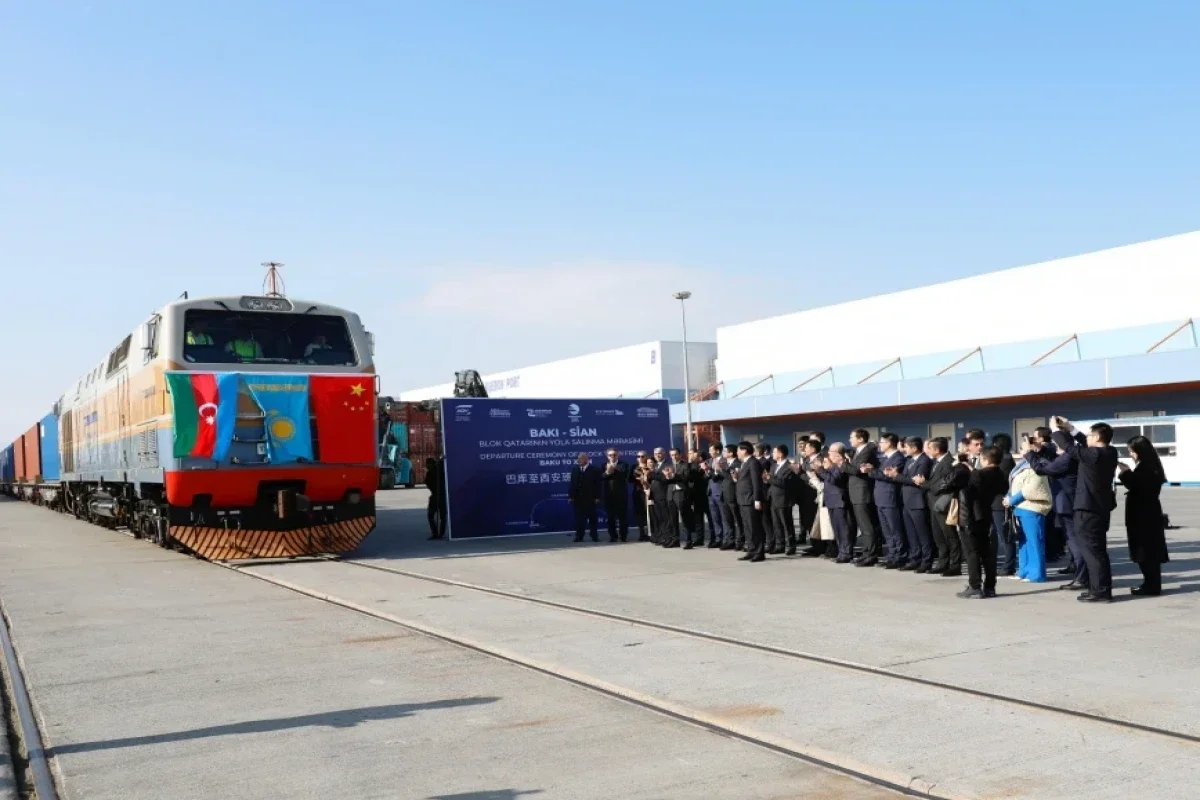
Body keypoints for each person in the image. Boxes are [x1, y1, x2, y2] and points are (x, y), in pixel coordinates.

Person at [1053, 416, 1119, 603]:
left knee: (1092, 551)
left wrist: (1056, 430)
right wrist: (1069, 427)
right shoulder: (1110, 452)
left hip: (1088, 509)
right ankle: (1098, 587)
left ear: (1097, 438)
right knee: (1097, 550)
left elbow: (1069, 447)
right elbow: (1081, 443)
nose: (1087, 438)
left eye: (1090, 435)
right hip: (1099, 508)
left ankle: (1100, 591)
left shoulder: (1094, 455)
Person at [1026, 430, 1086, 591]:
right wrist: (1040, 449)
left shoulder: (1066, 459)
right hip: (1072, 503)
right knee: (1075, 541)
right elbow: (1052, 455)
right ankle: (1082, 575)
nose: (1051, 445)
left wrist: (1029, 453)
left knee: (1074, 542)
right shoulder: (1073, 455)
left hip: (1067, 505)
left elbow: (1041, 469)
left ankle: (1082, 577)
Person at [1117, 436, 1170, 597]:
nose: (1131, 454)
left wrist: (1126, 473)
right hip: (1147, 513)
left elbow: (1138, 486)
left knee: (1146, 551)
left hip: (1144, 515)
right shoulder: (1150, 465)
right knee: (1148, 551)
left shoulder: (1146, 467)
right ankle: (1150, 583)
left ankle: (1151, 586)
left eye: (1132, 451)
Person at [957, 446, 1009, 599]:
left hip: (973, 516)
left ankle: (975, 586)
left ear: (984, 459)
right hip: (988, 515)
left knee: (972, 552)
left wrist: (967, 469)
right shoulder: (1000, 474)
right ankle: (990, 586)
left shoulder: (978, 475)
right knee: (988, 554)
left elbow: (968, 493)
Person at [1005, 441, 1052, 582]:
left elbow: (1032, 487)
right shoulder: (1021, 465)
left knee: (1034, 541)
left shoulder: (1040, 465)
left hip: (1032, 507)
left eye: (1024, 447)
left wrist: (1012, 500)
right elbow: (1014, 484)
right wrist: (1008, 496)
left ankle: (1037, 574)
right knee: (1023, 541)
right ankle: (1024, 570)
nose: (1021, 450)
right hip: (1020, 508)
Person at [889, 436, 933, 571]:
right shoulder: (909, 460)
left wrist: (897, 476)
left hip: (917, 501)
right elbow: (908, 478)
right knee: (911, 533)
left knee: (922, 533)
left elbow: (917, 481)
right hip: (906, 501)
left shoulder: (924, 460)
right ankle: (915, 558)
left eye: (907, 447)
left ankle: (926, 560)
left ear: (914, 448)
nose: (904, 449)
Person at [923, 438, 962, 575]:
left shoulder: (949, 463)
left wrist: (924, 483)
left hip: (943, 504)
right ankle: (942, 562)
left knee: (950, 535)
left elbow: (942, 485)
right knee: (938, 535)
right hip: (934, 504)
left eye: (929, 448)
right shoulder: (936, 462)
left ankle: (955, 564)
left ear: (936, 450)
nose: (927, 450)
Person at [868, 433, 906, 568]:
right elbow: (882, 473)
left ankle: (899, 556)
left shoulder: (898, 458)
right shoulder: (884, 458)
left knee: (895, 529)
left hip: (890, 497)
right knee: (887, 531)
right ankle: (891, 555)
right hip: (880, 498)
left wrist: (872, 471)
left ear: (889, 443)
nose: (880, 445)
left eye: (882, 442)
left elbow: (889, 476)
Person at [812, 444, 853, 563]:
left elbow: (834, 479)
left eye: (830, 452)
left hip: (839, 499)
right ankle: (841, 552)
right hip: (830, 500)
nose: (828, 455)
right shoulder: (831, 467)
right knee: (836, 528)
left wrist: (821, 470)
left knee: (843, 528)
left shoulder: (840, 465)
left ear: (837, 454)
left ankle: (846, 552)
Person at [846, 429, 880, 564]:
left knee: (867, 526)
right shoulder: (858, 451)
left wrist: (841, 463)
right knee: (863, 525)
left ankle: (871, 554)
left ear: (860, 439)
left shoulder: (866, 451)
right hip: (856, 492)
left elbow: (855, 470)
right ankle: (866, 552)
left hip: (862, 492)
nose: (850, 440)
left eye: (852, 437)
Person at [990, 433, 1018, 577]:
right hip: (997, 502)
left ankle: (1009, 565)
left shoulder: (1004, 460)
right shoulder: (1006, 458)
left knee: (1005, 535)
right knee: (1001, 535)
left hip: (1000, 502)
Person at [734, 441, 766, 562]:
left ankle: (759, 552)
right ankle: (751, 550)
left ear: (745, 450)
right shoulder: (744, 463)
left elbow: (756, 482)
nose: (737, 452)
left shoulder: (753, 462)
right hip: (743, 499)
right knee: (747, 527)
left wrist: (757, 499)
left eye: (738, 450)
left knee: (754, 527)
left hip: (751, 499)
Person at [767, 444, 797, 555]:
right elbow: (772, 480)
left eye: (774, 452)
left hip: (784, 499)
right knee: (776, 524)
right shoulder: (774, 465)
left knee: (786, 524)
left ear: (780, 454)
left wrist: (769, 478)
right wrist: (767, 479)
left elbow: (783, 482)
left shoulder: (789, 466)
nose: (772, 454)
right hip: (773, 498)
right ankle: (780, 545)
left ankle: (791, 545)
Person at [568, 452, 602, 543]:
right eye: (578, 458)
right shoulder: (575, 469)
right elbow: (572, 484)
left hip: (590, 499)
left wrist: (598, 497)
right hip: (578, 499)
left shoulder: (594, 470)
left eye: (581, 458)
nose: (579, 460)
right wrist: (571, 496)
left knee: (592, 519)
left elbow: (598, 485)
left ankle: (594, 536)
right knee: (579, 519)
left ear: (587, 459)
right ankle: (579, 536)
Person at [601, 448, 631, 542]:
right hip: (609, 496)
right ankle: (613, 536)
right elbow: (601, 478)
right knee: (610, 518)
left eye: (614, 455)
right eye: (610, 455)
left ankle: (623, 536)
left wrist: (614, 470)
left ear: (618, 455)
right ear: (607, 456)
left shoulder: (624, 465)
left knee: (623, 517)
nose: (612, 457)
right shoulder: (603, 465)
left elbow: (625, 477)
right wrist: (608, 472)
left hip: (621, 496)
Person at [720, 444, 744, 550]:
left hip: (733, 495)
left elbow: (732, 478)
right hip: (724, 495)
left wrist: (721, 470)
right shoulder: (725, 463)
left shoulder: (737, 463)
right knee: (727, 520)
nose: (723, 453)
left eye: (725, 451)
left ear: (731, 453)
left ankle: (740, 541)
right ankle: (730, 540)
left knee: (737, 519)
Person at [684, 450, 709, 547]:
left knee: (711, 518)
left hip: (705, 494)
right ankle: (699, 538)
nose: (690, 455)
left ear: (698, 455)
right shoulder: (688, 465)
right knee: (698, 518)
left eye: (692, 453)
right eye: (689, 453)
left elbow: (701, 476)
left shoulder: (703, 464)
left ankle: (715, 538)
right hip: (694, 495)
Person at [705, 445, 729, 549]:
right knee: (715, 518)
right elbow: (708, 476)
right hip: (711, 492)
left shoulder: (724, 461)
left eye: (711, 450)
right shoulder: (709, 461)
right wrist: (706, 470)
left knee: (724, 518)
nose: (709, 452)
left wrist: (713, 470)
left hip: (720, 492)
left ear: (718, 451)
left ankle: (726, 539)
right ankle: (718, 538)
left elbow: (719, 476)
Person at [631, 452, 652, 541]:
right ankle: (641, 534)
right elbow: (629, 479)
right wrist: (637, 478)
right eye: (638, 456)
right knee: (640, 514)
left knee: (650, 513)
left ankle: (651, 533)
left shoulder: (650, 466)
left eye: (642, 456)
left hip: (649, 492)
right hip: (638, 493)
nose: (640, 458)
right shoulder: (634, 467)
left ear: (646, 457)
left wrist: (646, 474)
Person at [424, 456, 446, 540]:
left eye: (427, 464)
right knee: (442, 517)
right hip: (442, 496)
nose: (426, 466)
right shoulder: (440, 470)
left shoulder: (430, 473)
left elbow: (428, 483)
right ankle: (441, 534)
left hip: (435, 496)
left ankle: (436, 534)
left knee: (431, 515)